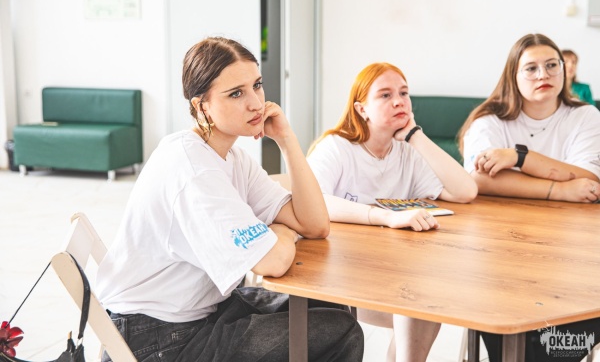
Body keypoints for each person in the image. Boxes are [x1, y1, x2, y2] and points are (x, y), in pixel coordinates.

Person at [96, 37, 364, 362]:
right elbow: (273, 262)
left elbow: (315, 224)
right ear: (202, 106)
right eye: (236, 93)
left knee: (329, 304)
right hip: (156, 338)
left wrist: (286, 139)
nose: (256, 103)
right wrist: (279, 232)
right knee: (342, 330)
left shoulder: (232, 157)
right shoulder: (193, 170)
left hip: (204, 311)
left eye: (257, 86)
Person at [307, 62, 478, 362]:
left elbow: (465, 191)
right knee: (420, 303)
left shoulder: (407, 152)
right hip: (336, 274)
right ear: (361, 109)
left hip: (391, 272)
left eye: (404, 93)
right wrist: (385, 216)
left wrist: (416, 136)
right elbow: (313, 203)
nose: (399, 101)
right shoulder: (335, 147)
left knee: (425, 299)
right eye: (385, 95)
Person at [459, 33, 600, 361]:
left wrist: (519, 158)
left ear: (564, 70)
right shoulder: (489, 120)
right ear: (514, 75)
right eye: (531, 68)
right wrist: (560, 189)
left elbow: (589, 181)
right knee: (503, 319)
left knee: (563, 333)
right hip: (504, 249)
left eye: (552, 65)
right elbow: (478, 180)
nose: (543, 75)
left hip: (572, 250)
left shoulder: (585, 116)